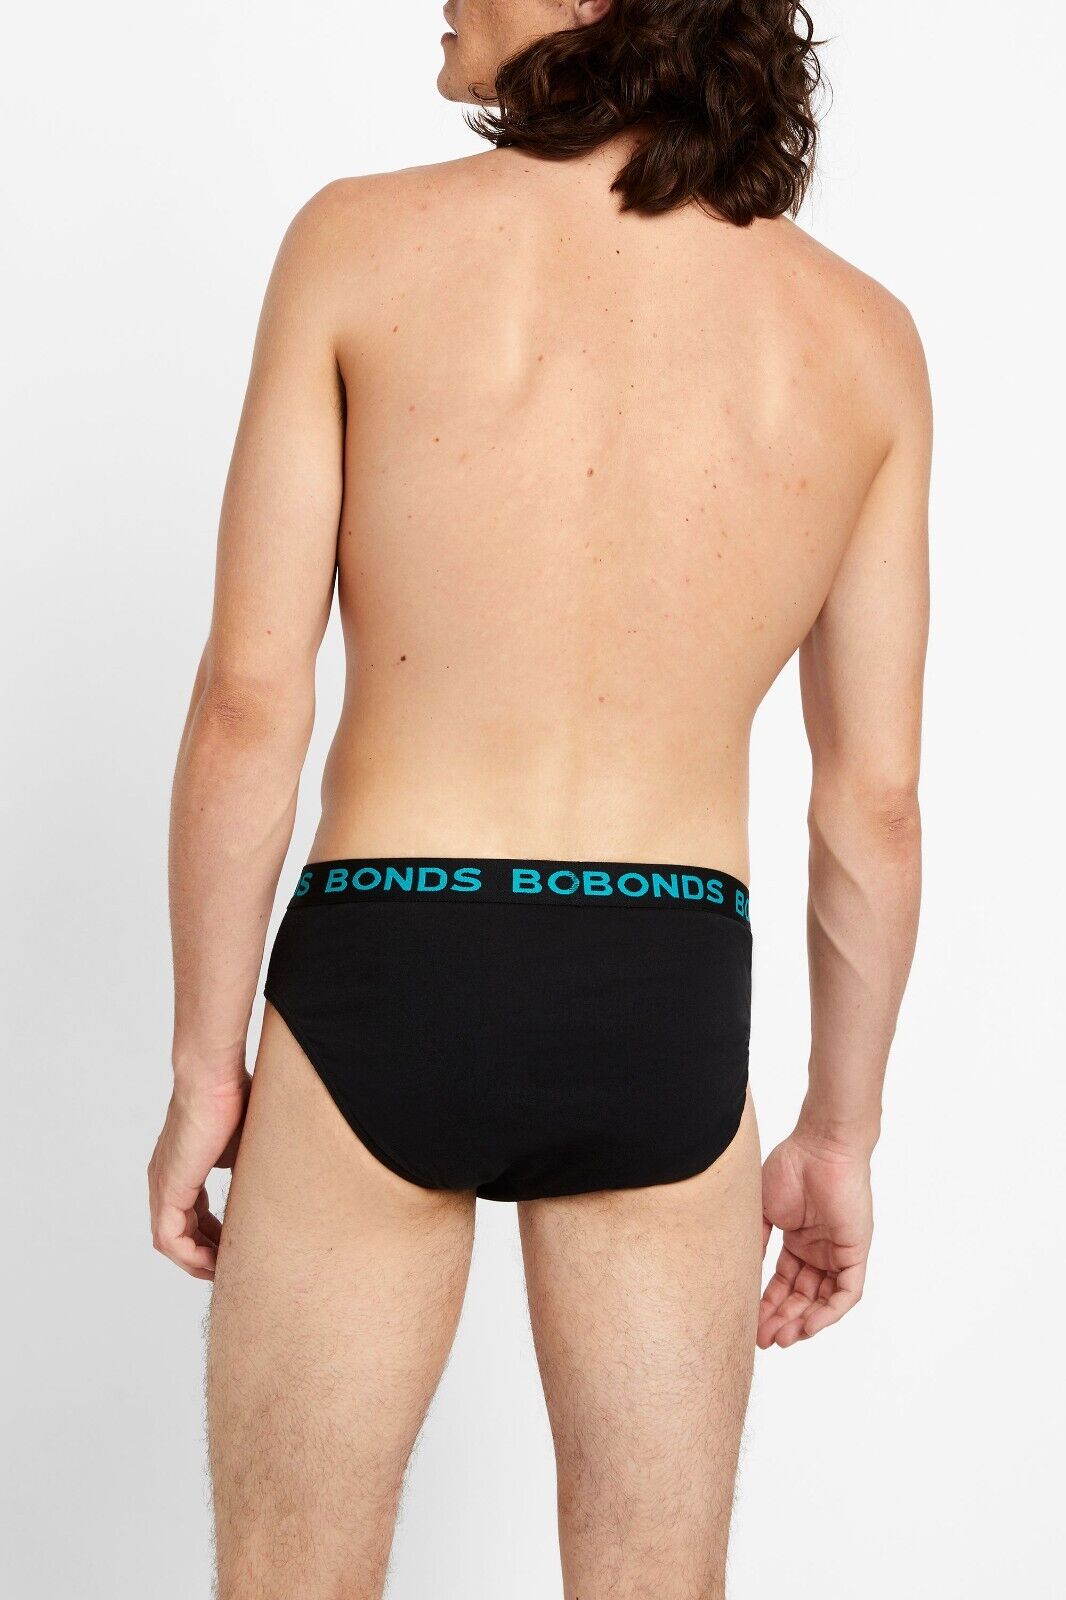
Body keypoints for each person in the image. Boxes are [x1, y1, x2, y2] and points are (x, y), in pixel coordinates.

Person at [148, 1, 930, 1594]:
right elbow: (872, 802)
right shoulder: (859, 337)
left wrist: (204, 1065)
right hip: (664, 978)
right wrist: (837, 1133)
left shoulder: (355, 244)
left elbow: (248, 706)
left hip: (389, 955)